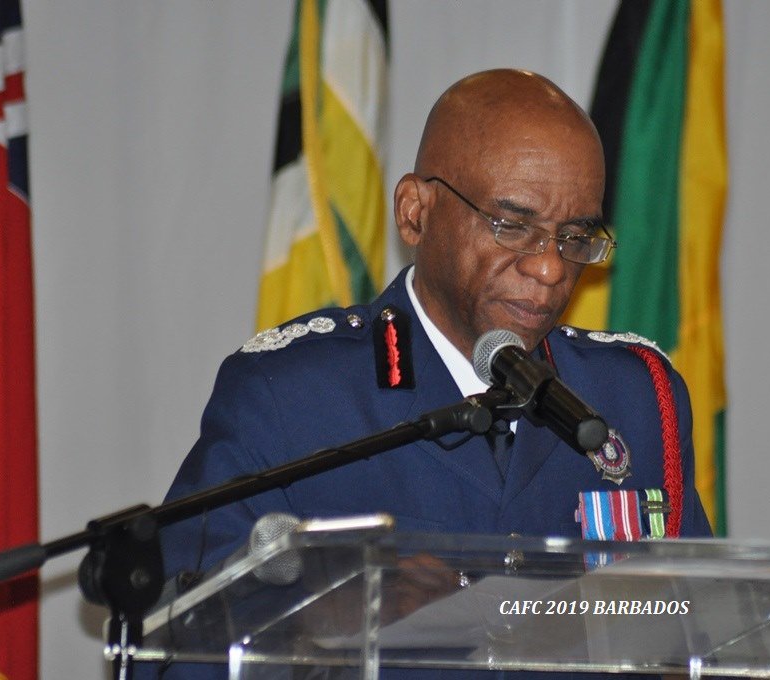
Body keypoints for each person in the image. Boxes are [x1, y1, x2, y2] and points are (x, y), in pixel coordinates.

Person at [146, 69, 712, 679]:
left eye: (574, 236)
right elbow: (175, 645)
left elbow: (701, 627)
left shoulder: (633, 394)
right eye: (512, 225)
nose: (550, 269)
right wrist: (316, 623)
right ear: (416, 213)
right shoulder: (291, 398)